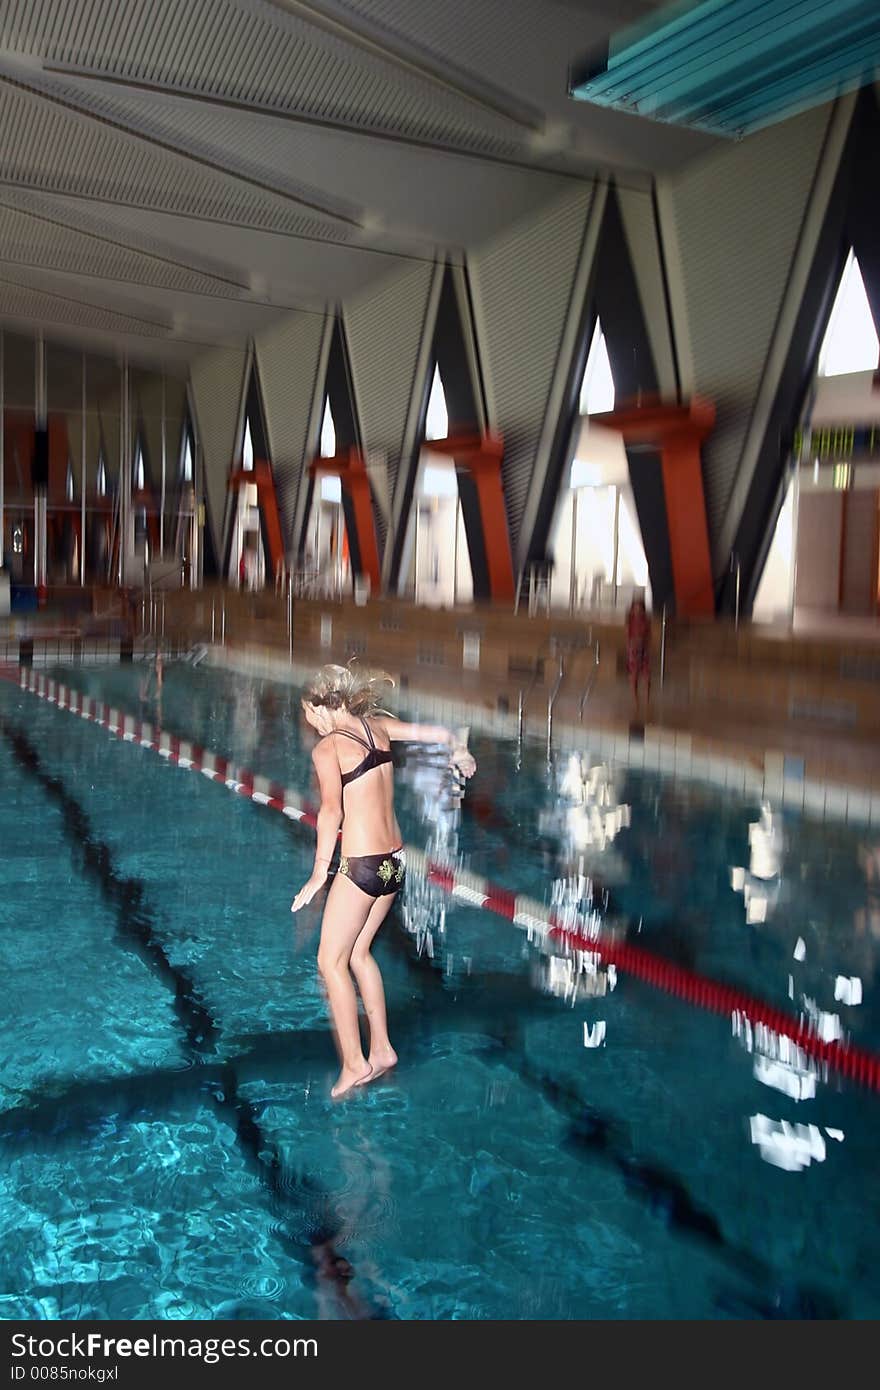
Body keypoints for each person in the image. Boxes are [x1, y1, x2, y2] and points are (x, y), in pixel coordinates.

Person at [290, 663, 476, 1098]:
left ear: (323, 705)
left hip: (362, 868)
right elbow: (439, 733)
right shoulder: (377, 727)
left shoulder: (330, 748)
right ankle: (384, 1049)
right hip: (394, 863)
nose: (308, 722)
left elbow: (331, 812)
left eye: (309, 713)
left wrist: (320, 872)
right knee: (358, 953)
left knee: (329, 962)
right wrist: (460, 751)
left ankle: (355, 1063)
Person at [625, 591, 651, 720]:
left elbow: (647, 636)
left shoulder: (645, 621)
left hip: (643, 650)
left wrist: (644, 645)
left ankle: (646, 700)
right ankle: (635, 701)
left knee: (646, 675)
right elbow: (628, 636)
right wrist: (631, 648)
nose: (637, 610)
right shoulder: (630, 621)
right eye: (635, 607)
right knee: (634, 676)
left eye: (639, 608)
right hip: (633, 650)